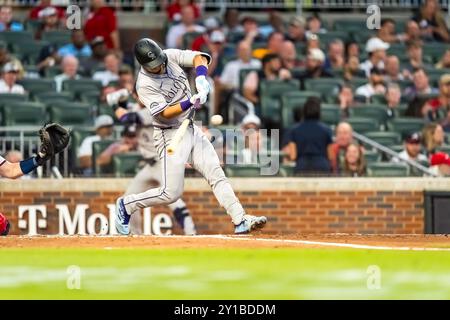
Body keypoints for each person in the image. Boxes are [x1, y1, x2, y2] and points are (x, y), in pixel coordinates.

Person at [114, 38, 267, 235]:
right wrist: (189, 102)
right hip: (169, 135)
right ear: (143, 66)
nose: (159, 67)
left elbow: (199, 57)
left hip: (191, 128)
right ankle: (126, 205)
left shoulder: (169, 56)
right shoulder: (144, 84)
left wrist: (201, 78)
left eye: (160, 61)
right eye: (153, 66)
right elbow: (164, 113)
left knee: (216, 173)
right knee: (171, 193)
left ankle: (240, 219)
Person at [106, 88, 197, 235]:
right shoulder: (138, 107)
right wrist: (121, 100)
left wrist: (114, 105)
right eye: (139, 95)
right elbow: (128, 113)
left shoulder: (155, 109)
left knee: (172, 199)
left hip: (164, 162)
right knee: (127, 199)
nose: (142, 98)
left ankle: (190, 231)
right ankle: (135, 234)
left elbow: (127, 118)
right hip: (150, 165)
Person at [285, 97, 332, 174]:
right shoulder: (327, 130)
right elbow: (331, 156)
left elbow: (293, 155)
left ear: (304, 112)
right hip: (322, 167)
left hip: (302, 166)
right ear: (319, 112)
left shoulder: (294, 130)